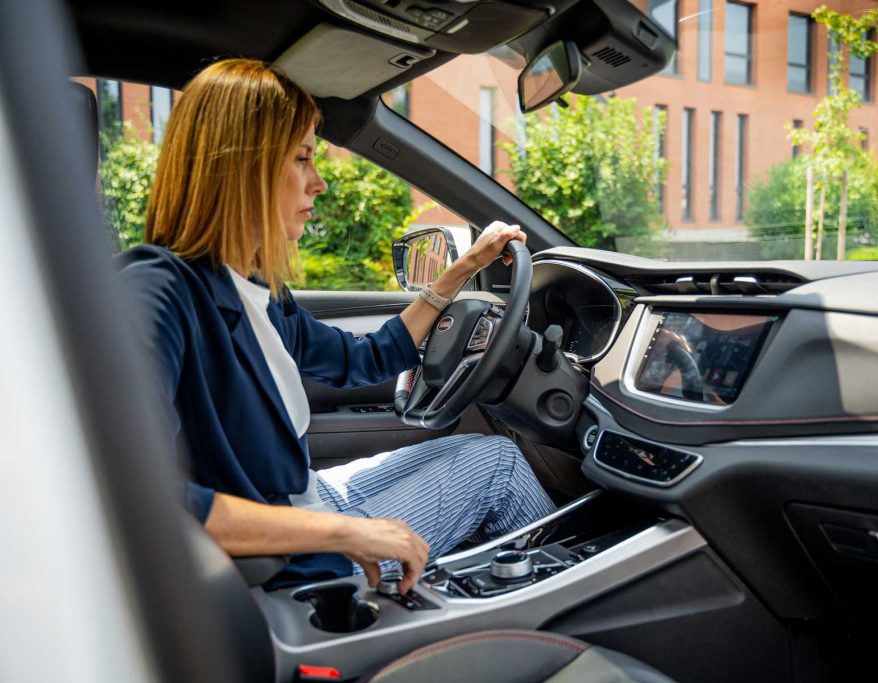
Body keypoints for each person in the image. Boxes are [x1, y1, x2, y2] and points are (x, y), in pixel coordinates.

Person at [119, 58, 556, 594]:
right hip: (292, 560)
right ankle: (572, 627)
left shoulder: (257, 291)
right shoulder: (158, 290)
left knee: (496, 454)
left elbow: (365, 359)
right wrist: (343, 531)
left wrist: (463, 269)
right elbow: (129, 494)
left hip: (309, 503)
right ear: (241, 165)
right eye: (302, 158)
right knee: (500, 469)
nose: (319, 183)